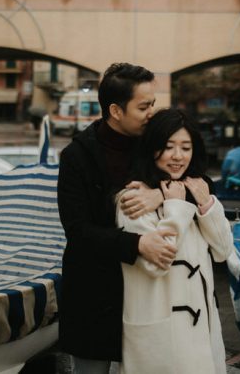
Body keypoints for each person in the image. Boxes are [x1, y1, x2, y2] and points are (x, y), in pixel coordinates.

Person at [57, 63, 176, 373]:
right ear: (116, 110)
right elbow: (78, 231)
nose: (153, 112)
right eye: (144, 106)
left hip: (148, 293)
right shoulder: (75, 157)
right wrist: (137, 244)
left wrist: (160, 193)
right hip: (92, 293)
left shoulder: (158, 145)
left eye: (153, 103)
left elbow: (203, 184)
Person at [115, 108, 233, 373]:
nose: (178, 156)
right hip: (161, 340)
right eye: (168, 147)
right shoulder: (134, 199)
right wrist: (176, 209)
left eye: (185, 147)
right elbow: (156, 264)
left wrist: (206, 205)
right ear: (151, 149)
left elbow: (224, 250)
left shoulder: (197, 190)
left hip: (202, 333)